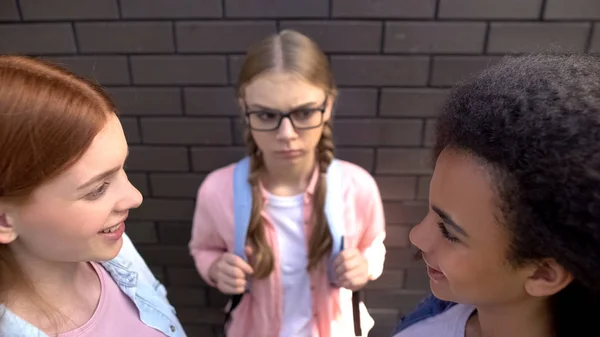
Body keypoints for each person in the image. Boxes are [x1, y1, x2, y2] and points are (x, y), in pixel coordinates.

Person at [189, 30, 387, 337]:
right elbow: (203, 248)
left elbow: (374, 244)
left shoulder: (358, 187)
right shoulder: (217, 191)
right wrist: (216, 269)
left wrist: (366, 266)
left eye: (304, 112)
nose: (286, 134)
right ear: (244, 108)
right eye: (267, 115)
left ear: (329, 106)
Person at [392, 53, 600, 337]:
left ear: (544, 273)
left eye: (449, 231)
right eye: (430, 211)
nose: (416, 236)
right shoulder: (427, 321)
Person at [0, 55, 186, 336]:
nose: (135, 197)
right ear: (4, 220)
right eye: (98, 189)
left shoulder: (117, 249)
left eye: (122, 169)